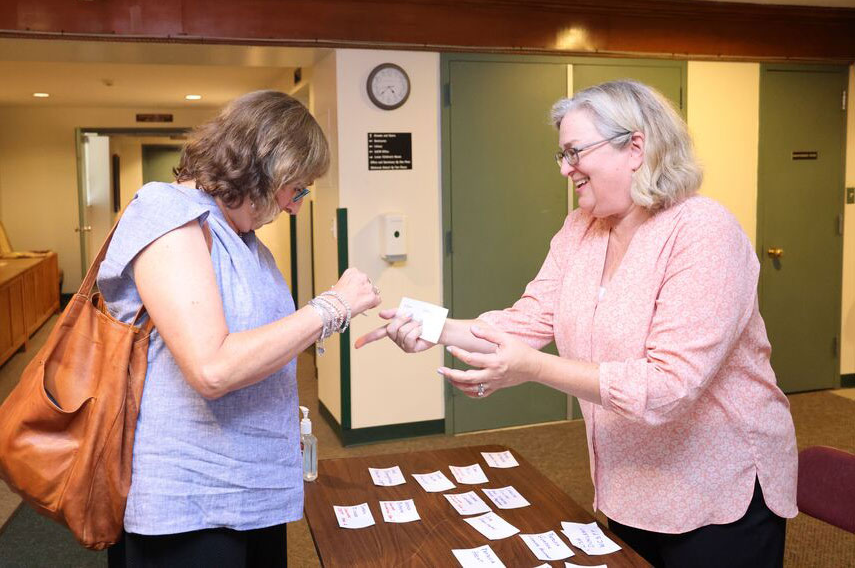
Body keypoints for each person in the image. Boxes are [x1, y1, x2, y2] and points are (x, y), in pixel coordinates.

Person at [357, 80, 797, 568]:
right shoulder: (581, 227)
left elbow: (669, 385)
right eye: (561, 155)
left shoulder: (703, 232)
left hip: (716, 490)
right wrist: (429, 326)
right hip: (629, 479)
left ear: (635, 146)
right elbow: (528, 319)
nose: (566, 168)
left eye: (574, 152)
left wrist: (534, 369)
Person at [99, 90, 381, 567]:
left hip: (254, 489)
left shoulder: (246, 241)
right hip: (191, 504)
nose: (295, 207)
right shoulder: (166, 212)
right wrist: (332, 307)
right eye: (299, 189)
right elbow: (212, 368)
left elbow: (259, 344)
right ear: (268, 166)